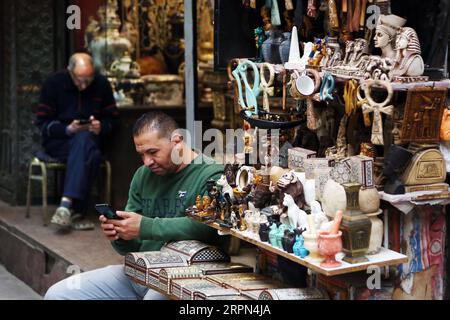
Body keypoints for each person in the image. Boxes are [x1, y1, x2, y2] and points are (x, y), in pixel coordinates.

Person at [44, 111, 225, 299]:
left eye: (153, 152)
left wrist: (144, 226)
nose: (147, 162)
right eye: (142, 154)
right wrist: (121, 233)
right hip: (140, 271)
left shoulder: (212, 175)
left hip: (187, 276)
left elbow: (207, 228)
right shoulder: (143, 175)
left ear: (177, 141)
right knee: (58, 295)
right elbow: (131, 246)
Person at [35, 53, 119, 230]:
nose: (83, 85)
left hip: (91, 140)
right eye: (79, 80)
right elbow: (42, 124)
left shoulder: (101, 84)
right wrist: (67, 129)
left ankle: (66, 206)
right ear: (69, 72)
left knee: (87, 145)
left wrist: (101, 126)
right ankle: (77, 211)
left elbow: (113, 120)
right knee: (91, 152)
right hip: (59, 143)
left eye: (88, 80)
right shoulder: (54, 83)